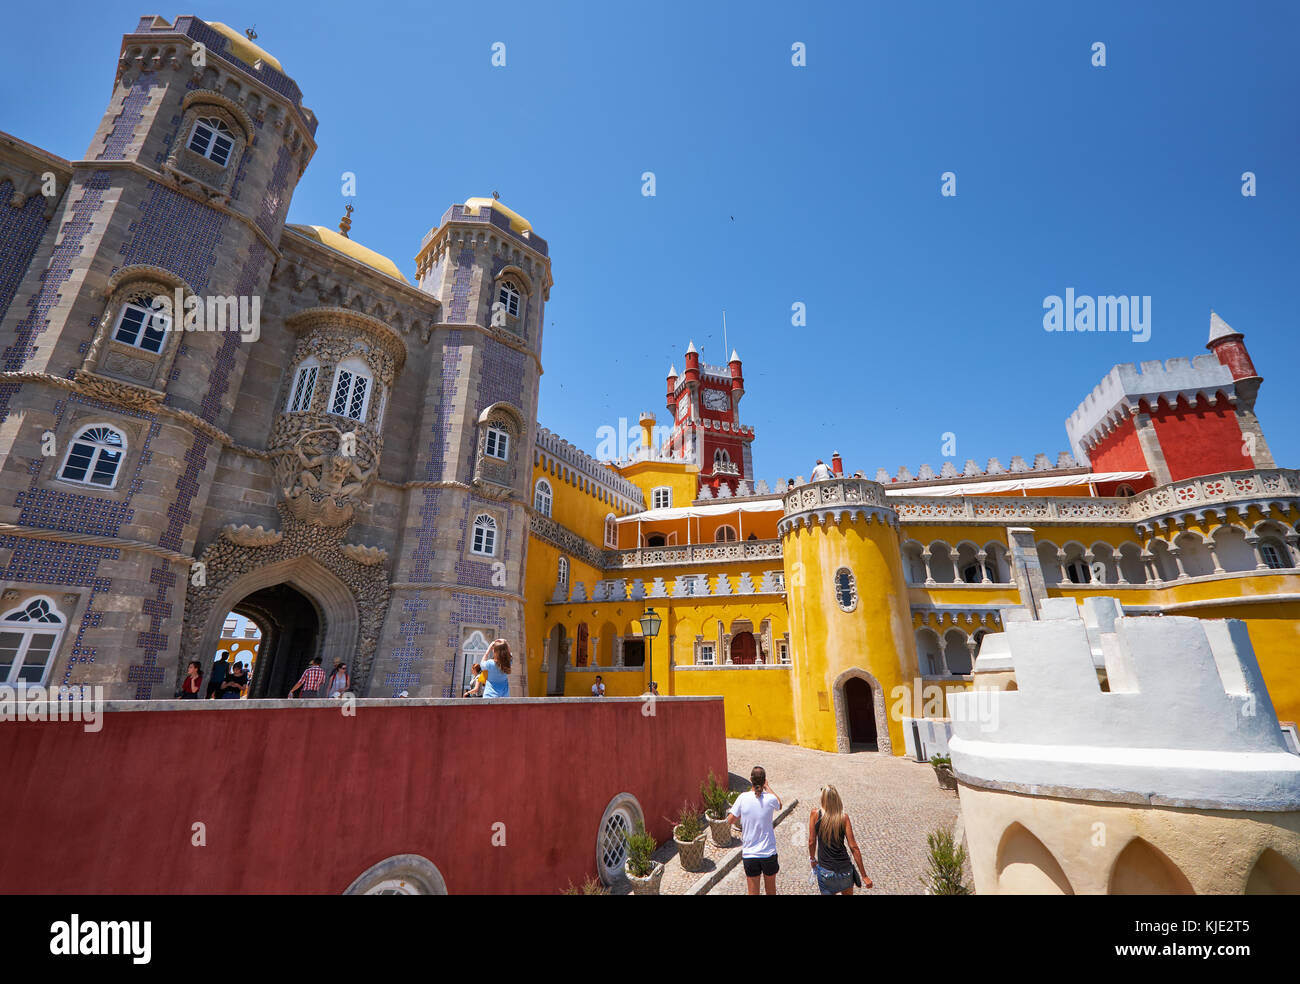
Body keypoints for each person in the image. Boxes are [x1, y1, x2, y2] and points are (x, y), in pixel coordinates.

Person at [807, 784, 872, 895]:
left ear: (823, 799)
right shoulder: (843, 818)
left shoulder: (815, 814)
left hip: (826, 871)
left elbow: (811, 841)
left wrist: (812, 859)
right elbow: (854, 847)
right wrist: (864, 876)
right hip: (845, 871)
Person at [728, 765, 782, 895]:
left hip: (750, 853)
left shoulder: (742, 798)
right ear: (764, 781)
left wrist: (742, 814)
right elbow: (779, 804)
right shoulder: (770, 799)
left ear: (750, 779)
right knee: (771, 891)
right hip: (768, 852)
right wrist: (767, 787)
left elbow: (729, 820)